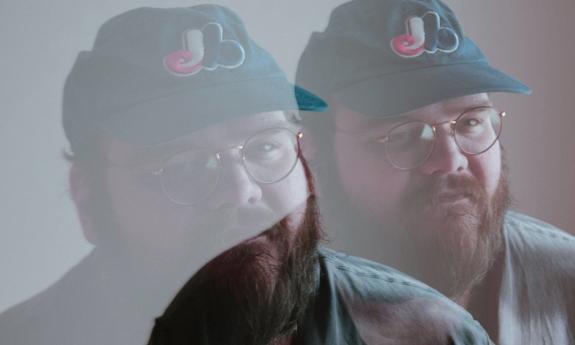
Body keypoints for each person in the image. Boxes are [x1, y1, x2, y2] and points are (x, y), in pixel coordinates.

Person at [0, 4, 493, 345]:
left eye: (264, 148)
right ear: (90, 199)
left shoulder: (429, 333)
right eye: (184, 166)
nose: (241, 192)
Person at [296, 0, 575, 344]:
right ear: (313, 161)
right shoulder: (273, 314)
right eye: (402, 135)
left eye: (471, 122)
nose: (450, 159)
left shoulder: (567, 281)